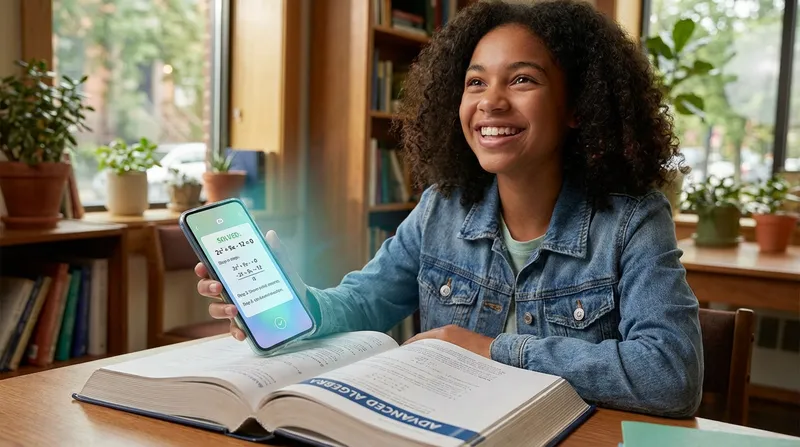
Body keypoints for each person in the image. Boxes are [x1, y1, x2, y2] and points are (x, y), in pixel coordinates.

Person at [196, 0, 703, 418]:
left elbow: (671, 375)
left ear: (578, 107)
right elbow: (363, 303)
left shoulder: (634, 221)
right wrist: (294, 303)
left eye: (522, 80)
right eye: (476, 82)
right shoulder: (441, 209)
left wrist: (489, 347)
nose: (491, 102)